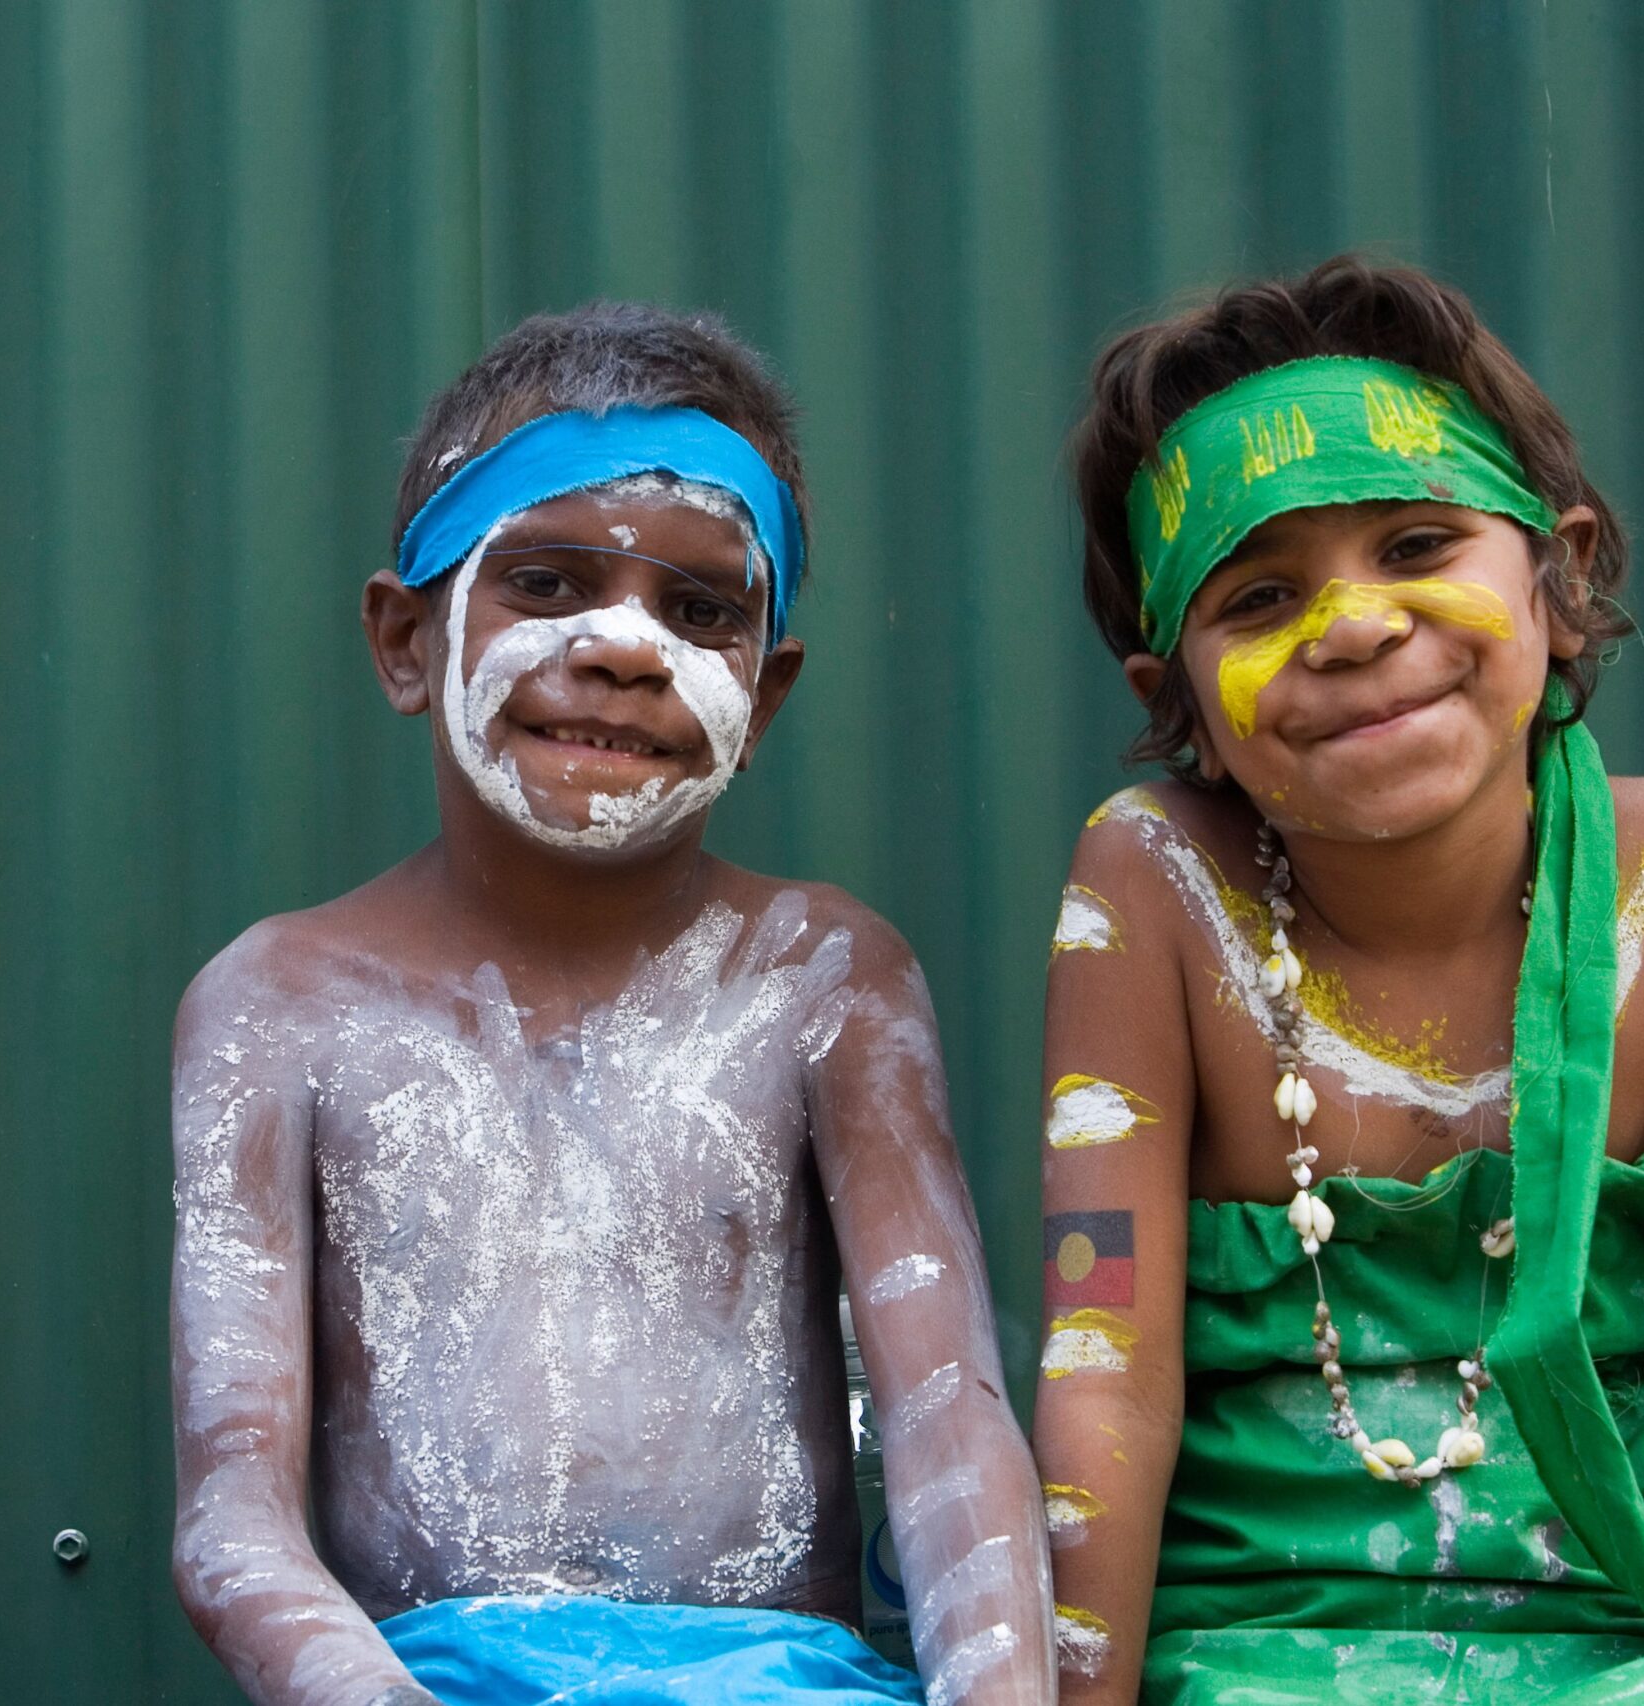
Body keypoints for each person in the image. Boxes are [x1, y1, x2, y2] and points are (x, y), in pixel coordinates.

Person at [169, 303, 1053, 1706]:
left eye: (701, 609)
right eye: (548, 580)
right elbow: (234, 1519)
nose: (627, 646)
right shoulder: (275, 1003)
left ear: (764, 697)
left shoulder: (829, 981)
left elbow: (952, 1429)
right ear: (406, 640)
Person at [1032, 257, 1644, 1704]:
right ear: (1176, 700)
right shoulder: (1157, 882)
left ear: (1564, 576)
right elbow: (1109, 1377)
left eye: (1418, 544)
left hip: (1623, 1666)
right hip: (1251, 1663)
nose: (1353, 625)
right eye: (1261, 596)